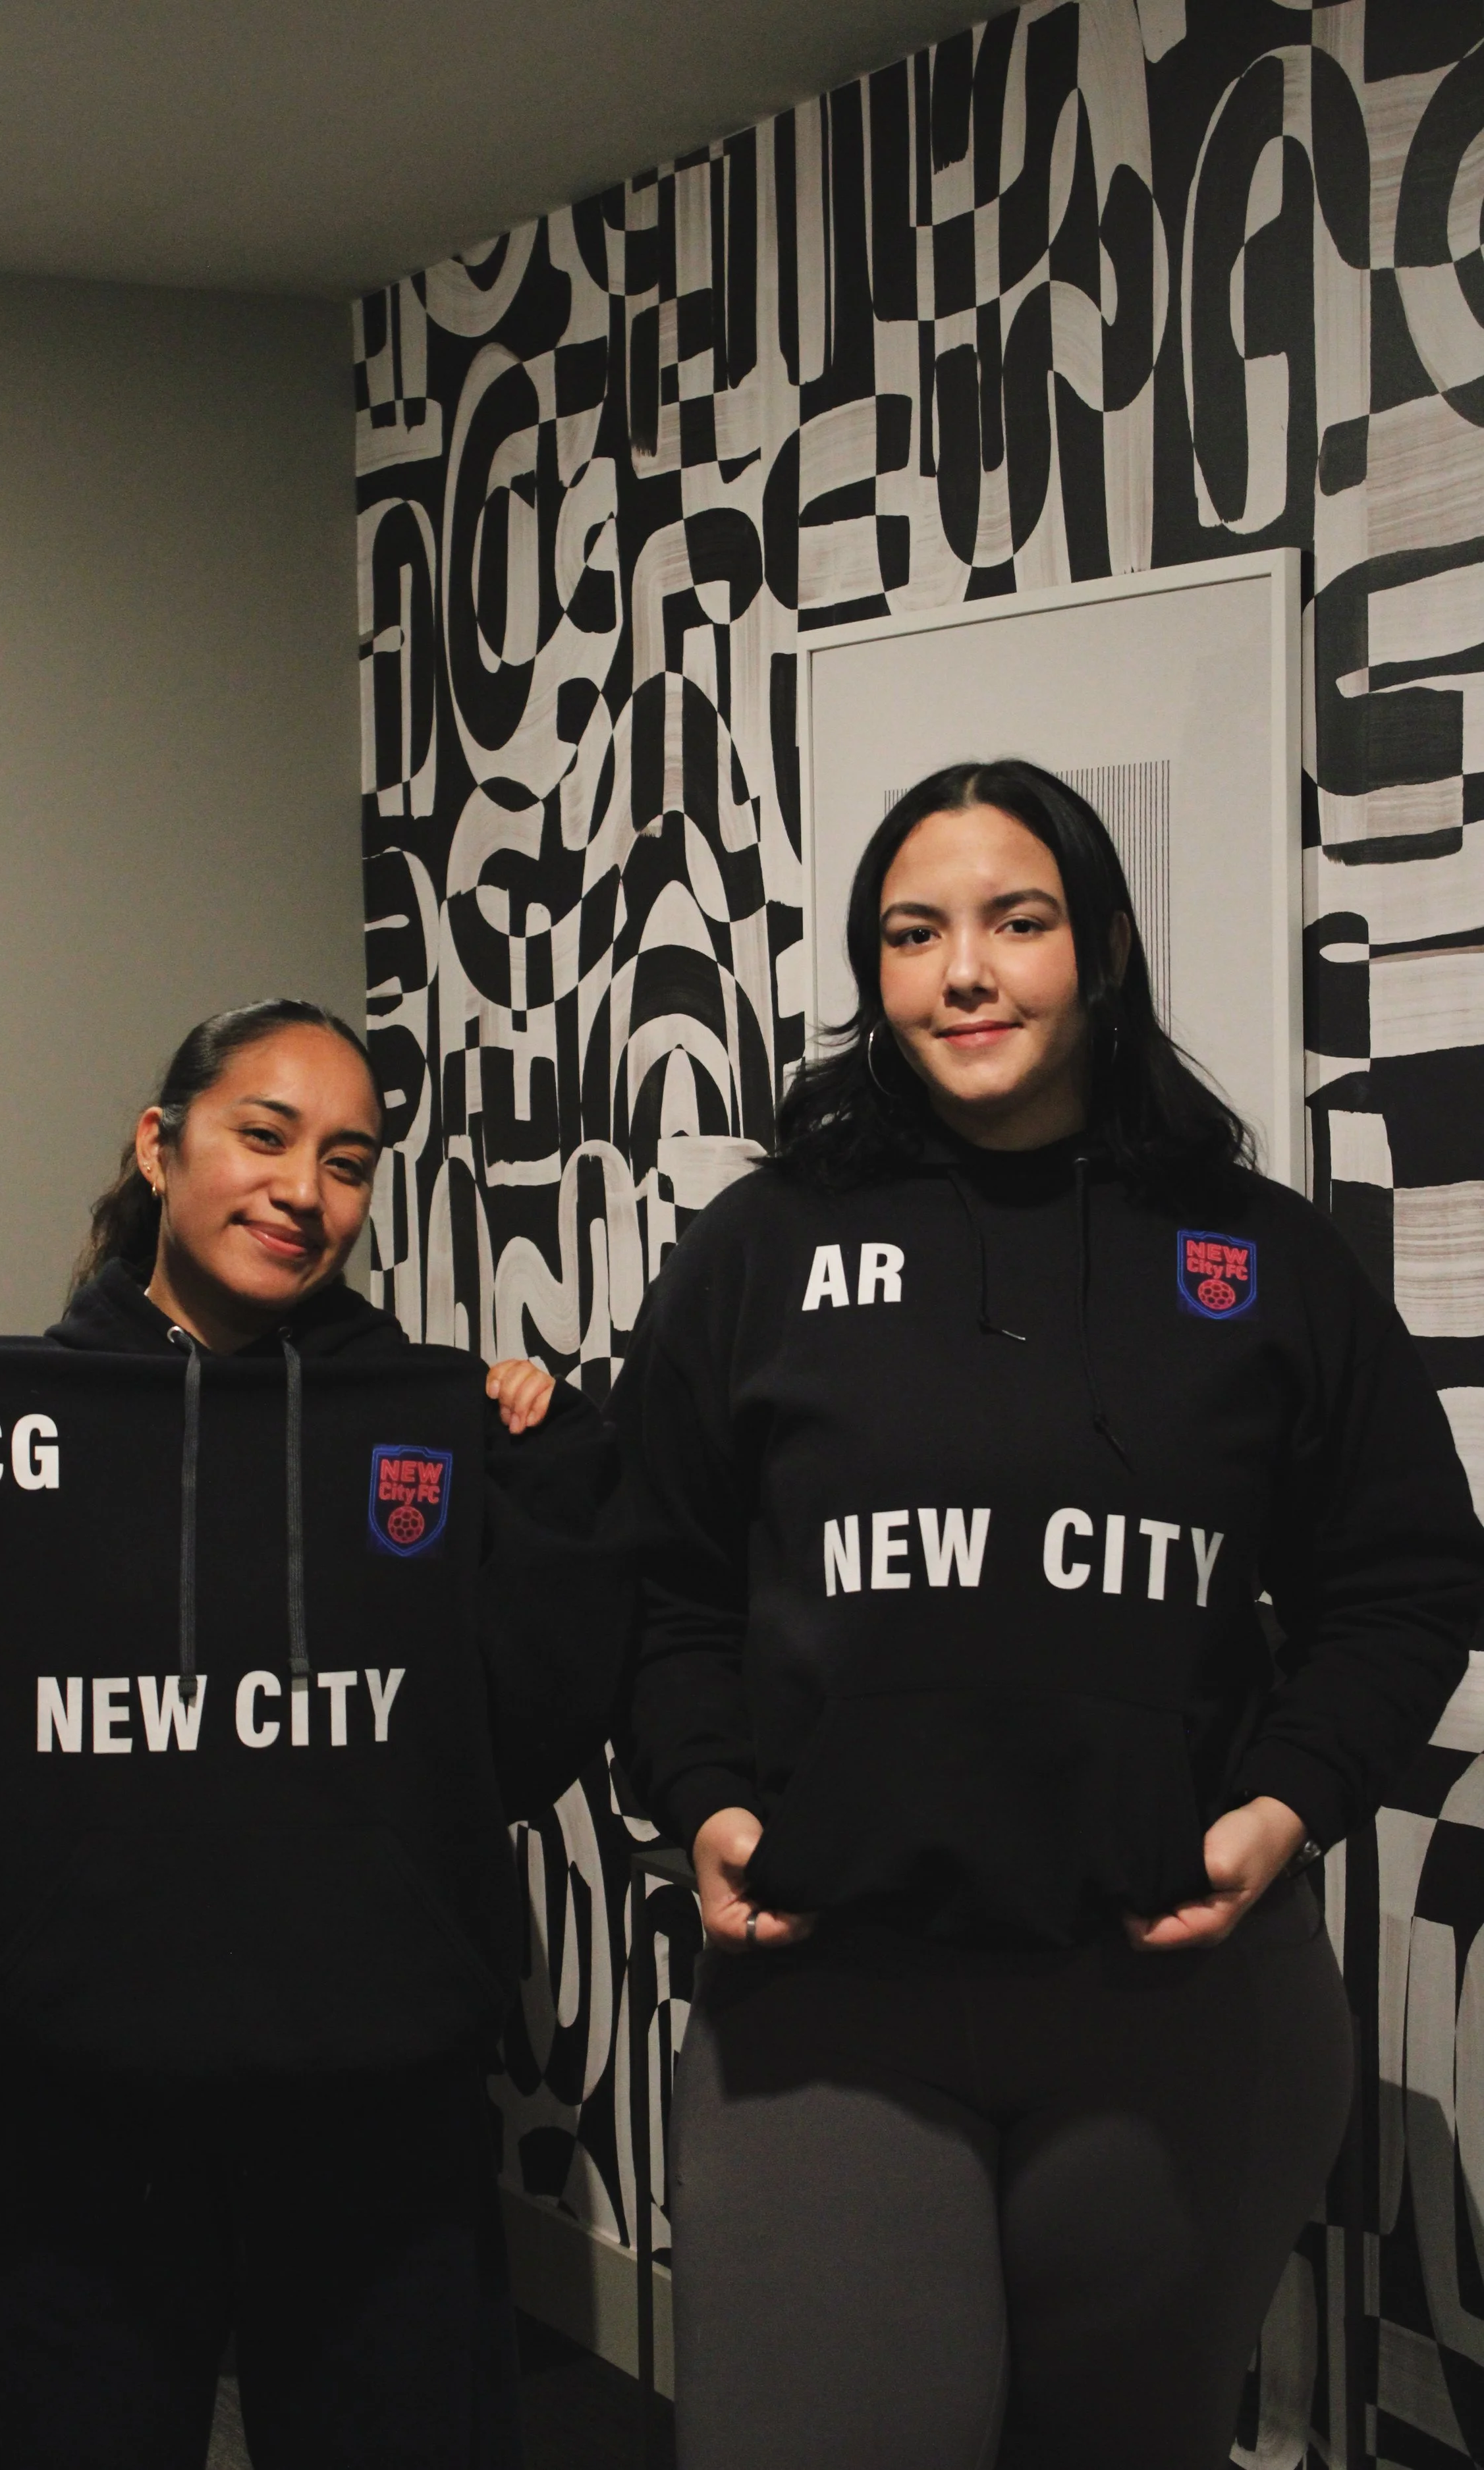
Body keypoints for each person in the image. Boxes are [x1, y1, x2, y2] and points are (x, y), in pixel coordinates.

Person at [611, 763, 1484, 2470]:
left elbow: (1402, 1578)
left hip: (1178, 2004)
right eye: (910, 932)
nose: (962, 972)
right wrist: (701, 1790)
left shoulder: (1259, 1253)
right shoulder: (760, 1247)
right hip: (829, 2006)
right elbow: (659, 1577)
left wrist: (1285, 1801)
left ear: (1099, 946)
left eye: (1013, 921)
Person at [0, 996, 621, 2470]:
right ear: (161, 1145)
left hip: (380, 2110)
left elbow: (525, 1740)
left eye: (348, 1160)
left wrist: (546, 1490)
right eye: (265, 1135)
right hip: (82, 2110)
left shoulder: (430, 1427)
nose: (303, 1190)